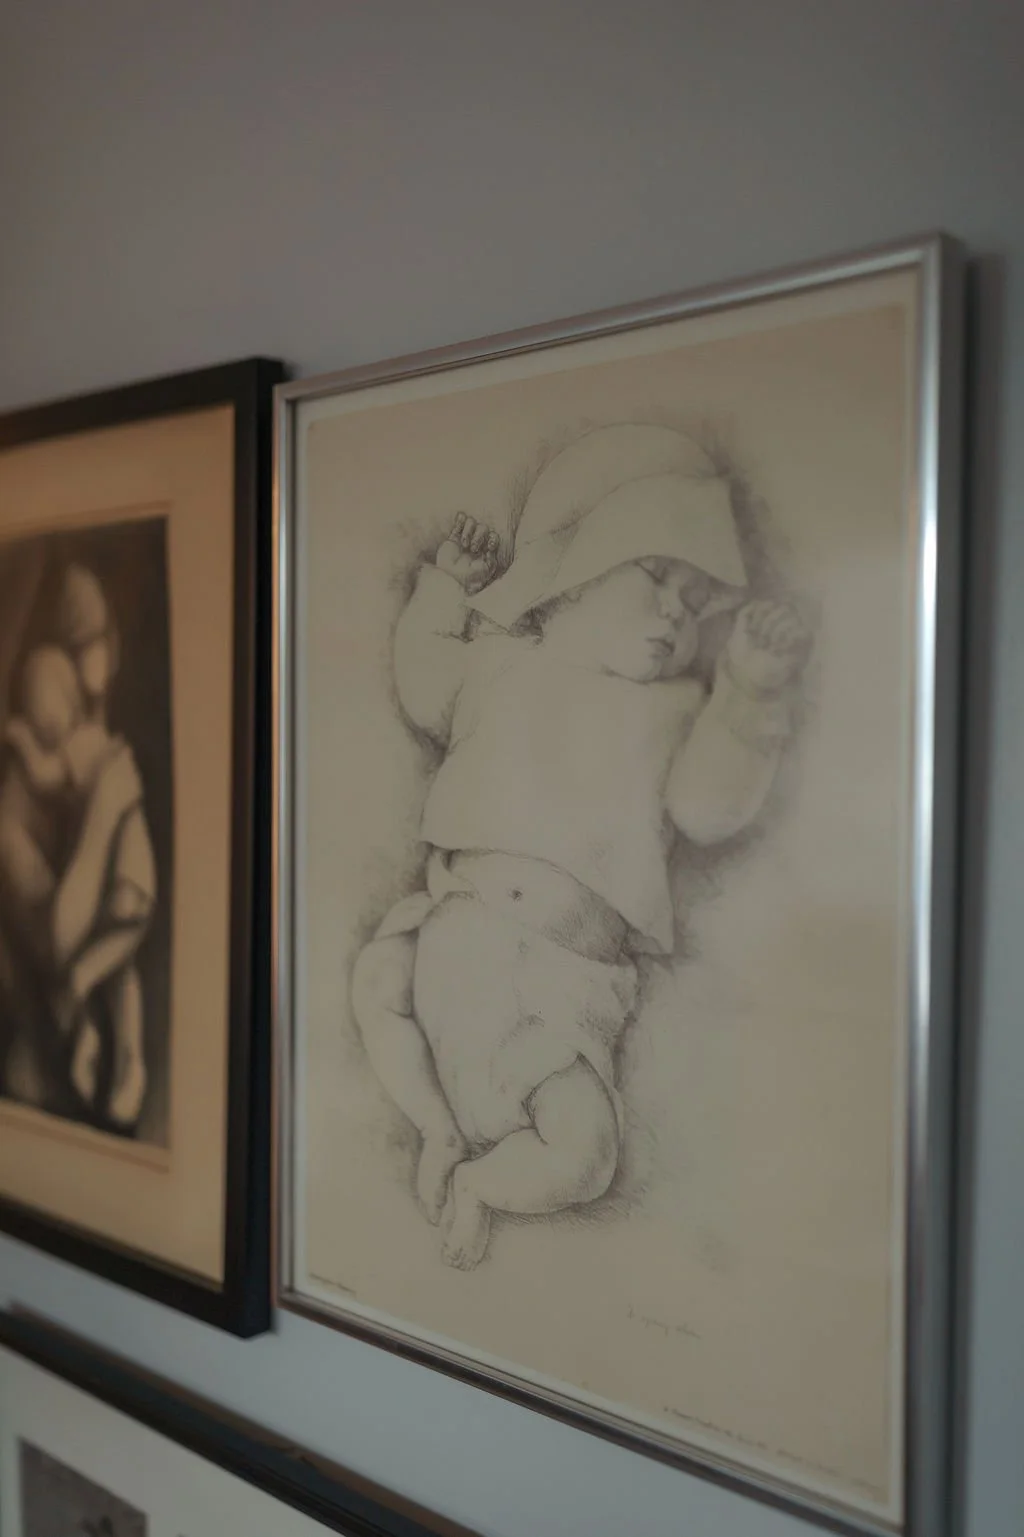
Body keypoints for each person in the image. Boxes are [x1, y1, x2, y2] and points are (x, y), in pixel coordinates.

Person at [352, 426, 810, 1269]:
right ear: (573, 574)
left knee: (587, 1154)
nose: (678, 612)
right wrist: (442, 593)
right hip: (449, 936)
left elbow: (710, 807)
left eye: (696, 599)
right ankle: (439, 1129)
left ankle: (484, 1184)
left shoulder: (675, 711)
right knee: (375, 986)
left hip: (561, 989)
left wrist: (746, 696)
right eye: (657, 578)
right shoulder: (494, 664)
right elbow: (423, 680)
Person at [0, 565, 155, 1129]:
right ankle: (97, 1026)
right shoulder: (22, 808)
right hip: (34, 1096)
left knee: (124, 939)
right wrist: (105, 810)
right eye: (42, 721)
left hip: (130, 888)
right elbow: (58, 936)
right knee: (114, 954)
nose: (55, 728)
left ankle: (120, 1047)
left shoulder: (90, 749)